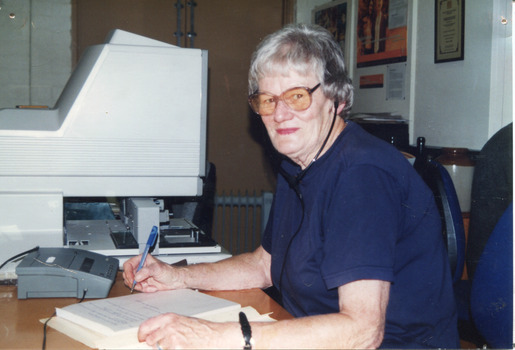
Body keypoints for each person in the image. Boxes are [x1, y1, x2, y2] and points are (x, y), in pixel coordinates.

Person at [123, 24, 459, 349]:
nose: (280, 114)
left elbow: (362, 332)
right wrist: (176, 276)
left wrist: (217, 338)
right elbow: (264, 265)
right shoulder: (298, 163)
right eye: (267, 100)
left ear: (336, 98)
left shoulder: (362, 175)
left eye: (296, 96)